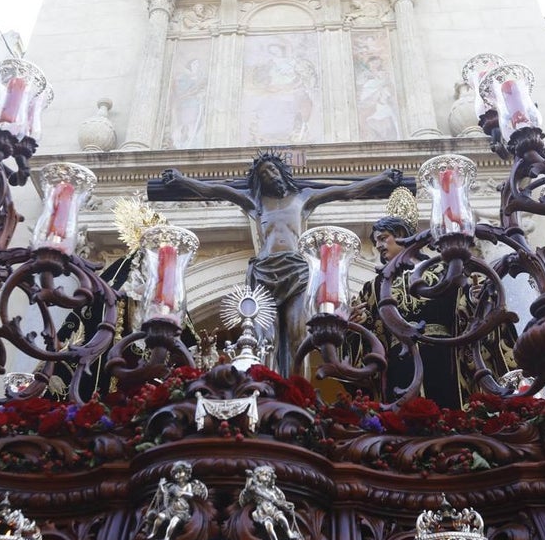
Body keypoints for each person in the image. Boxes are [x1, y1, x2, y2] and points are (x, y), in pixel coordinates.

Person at [159, 153, 402, 376]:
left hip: (296, 271)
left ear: (282, 172)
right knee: (265, 340)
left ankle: (298, 394)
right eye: (263, 174)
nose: (270, 176)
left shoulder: (303, 197)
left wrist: (381, 178)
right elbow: (213, 191)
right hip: (264, 272)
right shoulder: (255, 203)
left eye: (272, 170)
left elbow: (345, 191)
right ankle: (268, 389)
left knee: (300, 335)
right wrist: (181, 180)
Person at [352, 200, 517, 409]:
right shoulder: (374, 287)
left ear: (402, 234)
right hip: (399, 361)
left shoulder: (444, 268)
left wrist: (478, 301)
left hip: (442, 355)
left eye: (383, 238)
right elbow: (369, 335)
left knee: (447, 409)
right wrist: (354, 326)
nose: (379, 246)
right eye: (376, 242)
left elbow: (467, 308)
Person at [238, 465, 304, 540]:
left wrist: (286, 505)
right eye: (265, 475)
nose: (267, 477)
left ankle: (289, 533)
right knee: (269, 526)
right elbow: (248, 489)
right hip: (263, 511)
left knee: (282, 518)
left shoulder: (273, 490)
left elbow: (279, 501)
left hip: (273, 509)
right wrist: (249, 478)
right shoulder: (256, 488)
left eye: (269, 476)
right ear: (258, 477)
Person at [144, 461, 208, 540]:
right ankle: (153, 533)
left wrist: (182, 493)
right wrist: (161, 487)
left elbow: (191, 495)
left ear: (187, 473)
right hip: (171, 509)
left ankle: (167, 538)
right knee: (160, 516)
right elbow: (166, 495)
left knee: (173, 522)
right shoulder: (173, 487)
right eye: (176, 473)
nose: (178, 475)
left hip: (182, 511)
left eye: (180, 472)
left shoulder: (188, 485)